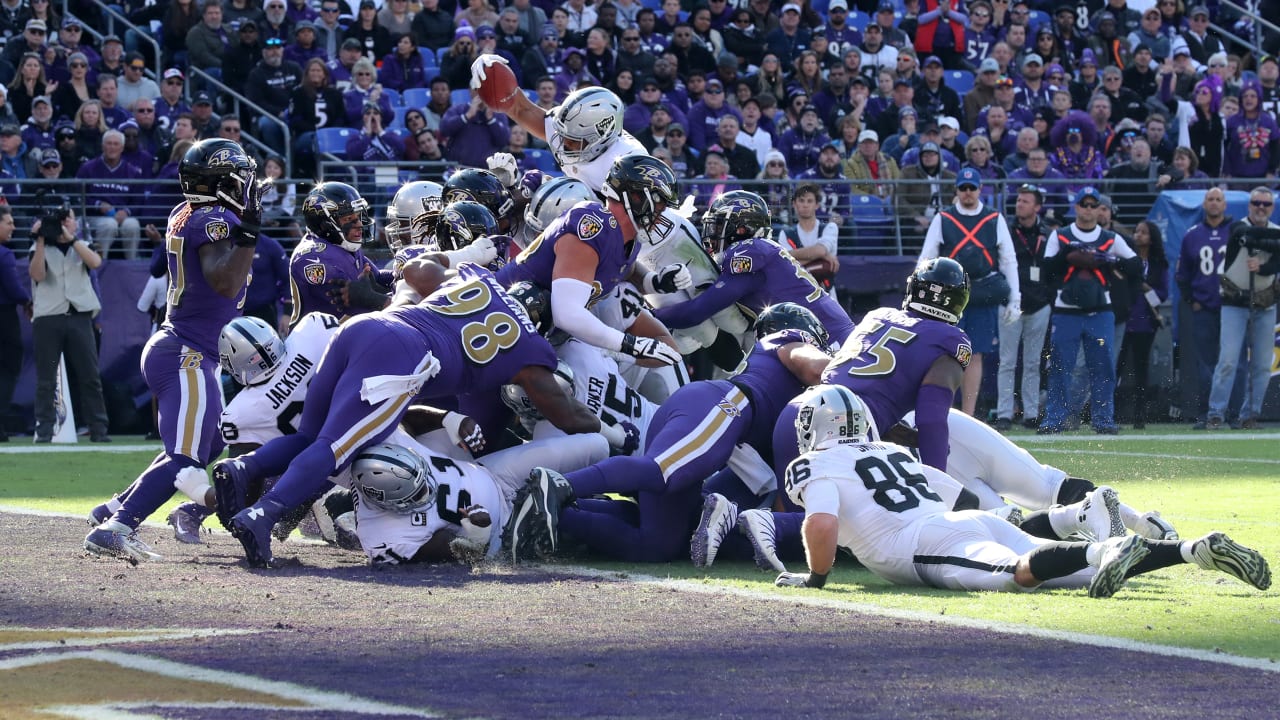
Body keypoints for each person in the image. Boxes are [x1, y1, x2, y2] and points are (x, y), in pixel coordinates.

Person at [213, 262, 617, 567]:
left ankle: (245, 468)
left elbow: (418, 270)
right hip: (404, 357)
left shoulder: (481, 278)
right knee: (334, 449)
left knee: (311, 434)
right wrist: (612, 430)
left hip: (368, 326)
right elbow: (566, 416)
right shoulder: (532, 350)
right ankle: (263, 516)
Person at [770, 384, 1272, 598]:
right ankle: (1193, 550)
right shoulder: (894, 454)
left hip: (926, 545)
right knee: (1077, 569)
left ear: (814, 427)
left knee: (1018, 575)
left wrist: (815, 578)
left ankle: (1109, 544)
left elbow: (822, 522)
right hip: (966, 523)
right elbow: (959, 497)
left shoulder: (814, 461)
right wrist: (1008, 517)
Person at [506, 304, 834, 564]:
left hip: (715, 421)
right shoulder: (789, 344)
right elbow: (817, 367)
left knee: (659, 544)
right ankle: (557, 486)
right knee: (660, 473)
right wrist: (846, 372)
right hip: (725, 406)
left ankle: (554, 517)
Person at [83, 139, 261, 562]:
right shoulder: (213, 218)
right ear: (219, 183)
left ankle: (109, 509)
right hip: (188, 353)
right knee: (187, 457)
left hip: (186, 348)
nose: (246, 186)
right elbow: (224, 281)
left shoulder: (189, 212)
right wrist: (250, 230)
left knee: (208, 443)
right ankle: (118, 526)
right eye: (239, 179)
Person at [653, 192, 854, 345]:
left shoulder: (747, 251)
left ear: (740, 228)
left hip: (829, 338)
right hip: (827, 331)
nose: (711, 233)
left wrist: (645, 315)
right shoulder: (765, 250)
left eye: (717, 225)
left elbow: (697, 311)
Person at [1037, 188, 1141, 435]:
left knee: (1103, 365)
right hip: (1066, 311)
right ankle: (1054, 419)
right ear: (1077, 207)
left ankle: (1103, 419)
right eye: (1084, 204)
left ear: (1099, 209)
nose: (1088, 209)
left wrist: (1109, 260)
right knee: (1061, 365)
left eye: (1093, 205)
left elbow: (1137, 264)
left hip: (1100, 310)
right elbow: (1047, 269)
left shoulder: (1109, 238)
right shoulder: (1060, 236)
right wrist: (1068, 254)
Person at [919, 167, 1019, 417]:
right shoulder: (943, 218)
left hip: (983, 291)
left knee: (975, 355)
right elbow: (927, 257)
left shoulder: (994, 218)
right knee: (947, 355)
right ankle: (944, 412)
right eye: (963, 188)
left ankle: (969, 415)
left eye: (972, 188)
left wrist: (1015, 298)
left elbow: (1008, 260)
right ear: (956, 190)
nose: (967, 193)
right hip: (950, 294)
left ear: (979, 189)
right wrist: (917, 293)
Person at [1204, 187, 1280, 430]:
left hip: (1265, 303)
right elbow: (1246, 235)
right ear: (1249, 205)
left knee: (1260, 365)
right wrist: (1272, 244)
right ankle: (1216, 414)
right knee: (1227, 360)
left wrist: (1262, 266)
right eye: (1256, 202)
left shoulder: (1276, 232)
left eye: (1265, 204)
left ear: (1272, 208)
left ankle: (1250, 415)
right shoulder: (1237, 228)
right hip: (1235, 302)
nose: (1260, 207)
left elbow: (1275, 263)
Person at [1177, 188, 1238, 429]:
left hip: (1234, 307)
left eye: (1218, 199)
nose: (1214, 203)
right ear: (1204, 204)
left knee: (1234, 362)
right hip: (1204, 307)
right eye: (1210, 199)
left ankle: (1234, 413)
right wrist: (1192, 298)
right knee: (1206, 363)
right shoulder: (1192, 235)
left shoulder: (1236, 232)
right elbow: (1182, 274)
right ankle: (1207, 412)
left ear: (1225, 205)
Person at [287, 182, 384, 322]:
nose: (359, 224)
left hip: (345, 334)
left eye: (359, 216)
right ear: (324, 224)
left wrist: (402, 275)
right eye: (349, 219)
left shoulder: (341, 245)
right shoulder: (314, 258)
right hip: (318, 340)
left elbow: (379, 278)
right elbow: (361, 307)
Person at [1116, 220, 1169, 429]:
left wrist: (1146, 289)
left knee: (1141, 369)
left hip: (1145, 321)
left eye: (1144, 232)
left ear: (1152, 237)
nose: (1139, 235)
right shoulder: (1126, 257)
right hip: (1124, 317)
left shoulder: (1158, 263)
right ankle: (1109, 413)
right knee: (1116, 367)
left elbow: (1163, 293)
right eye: (1136, 231)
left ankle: (1140, 415)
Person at [76, 129, 143, 260]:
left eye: (116, 144)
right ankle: (99, 264)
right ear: (102, 146)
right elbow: (77, 196)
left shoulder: (132, 172)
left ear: (122, 148)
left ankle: (131, 264)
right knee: (108, 224)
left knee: (132, 225)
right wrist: (97, 205)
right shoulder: (87, 168)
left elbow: (139, 201)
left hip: (122, 216)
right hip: (94, 217)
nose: (112, 147)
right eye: (109, 143)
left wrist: (126, 212)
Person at [0, 206, 30, 441]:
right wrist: (27, 301)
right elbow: (13, 288)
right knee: (8, 370)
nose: (13, 227)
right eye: (8, 222)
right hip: (4, 317)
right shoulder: (4, 254)